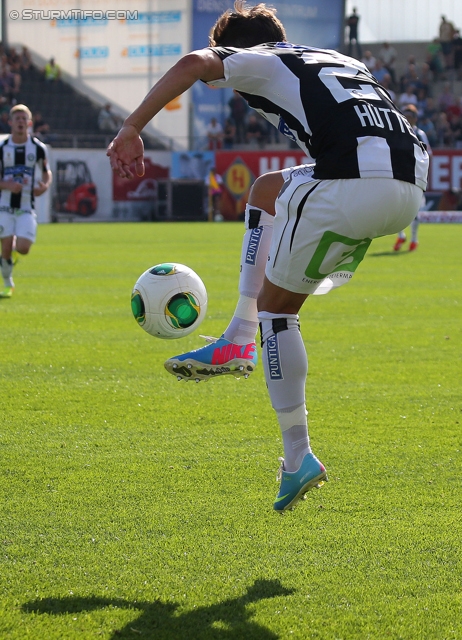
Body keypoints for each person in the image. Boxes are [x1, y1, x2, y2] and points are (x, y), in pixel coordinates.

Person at [108, 1, 429, 513]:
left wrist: (131, 127)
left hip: (354, 182)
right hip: (410, 181)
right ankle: (238, 336)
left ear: (240, 46)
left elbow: (193, 65)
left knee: (278, 313)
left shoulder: (261, 59)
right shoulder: (337, 58)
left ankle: (297, 453)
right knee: (265, 190)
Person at [0, 104, 52, 298]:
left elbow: (47, 173)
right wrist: (6, 185)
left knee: (23, 248)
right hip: (4, 206)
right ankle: (7, 284)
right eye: (17, 119)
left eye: (24, 119)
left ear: (29, 123)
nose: (21, 122)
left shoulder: (38, 148)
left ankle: (14, 251)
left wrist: (44, 186)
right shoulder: (3, 148)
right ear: (10, 122)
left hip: (26, 206)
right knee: (4, 246)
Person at [393, 104, 432, 252]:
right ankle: (401, 235)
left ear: (415, 118)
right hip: (400, 174)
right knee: (396, 207)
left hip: (415, 175)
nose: (408, 119)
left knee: (414, 210)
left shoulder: (419, 134)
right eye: (406, 116)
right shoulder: (398, 131)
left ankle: (414, 239)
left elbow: (427, 155)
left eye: (410, 117)